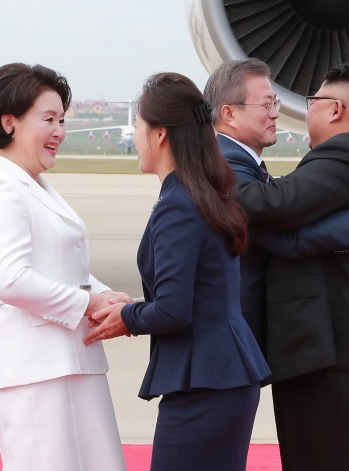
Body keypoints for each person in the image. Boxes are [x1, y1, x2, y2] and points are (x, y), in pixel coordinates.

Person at [85, 72, 270, 471]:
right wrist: (134, 309)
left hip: (205, 383)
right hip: (225, 376)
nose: (136, 138)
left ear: (160, 134)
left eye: (139, 127)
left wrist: (128, 316)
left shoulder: (177, 204)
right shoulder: (203, 193)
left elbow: (173, 310)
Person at [229, 64, 349, 470]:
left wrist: (211, 179)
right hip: (335, 350)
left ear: (335, 109)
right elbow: (289, 222)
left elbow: (271, 205)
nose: (304, 111)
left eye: (312, 102)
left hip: (338, 353)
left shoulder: (345, 154)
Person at [0, 63, 126, 471]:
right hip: (34, 369)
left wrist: (105, 295)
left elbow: (62, 264)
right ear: (10, 123)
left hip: (71, 361)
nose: (59, 131)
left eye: (62, 121)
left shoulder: (33, 183)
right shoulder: (0, 187)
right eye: (49, 119)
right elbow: (9, 279)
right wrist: (88, 303)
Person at [203, 58, 349, 361]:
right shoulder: (223, 166)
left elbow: (280, 219)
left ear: (336, 109)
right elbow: (278, 225)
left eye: (275, 103)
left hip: (273, 343)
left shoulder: (342, 153)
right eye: (266, 104)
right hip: (233, 339)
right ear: (229, 113)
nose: (276, 113)